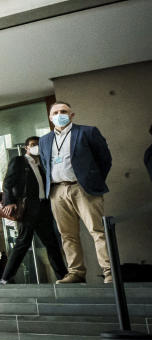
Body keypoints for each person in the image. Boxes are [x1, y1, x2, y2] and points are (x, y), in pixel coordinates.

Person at [39, 101, 113, 283]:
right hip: (57, 191)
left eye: (63, 111)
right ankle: (76, 273)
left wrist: (91, 180)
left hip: (83, 189)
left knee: (97, 231)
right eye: (55, 112)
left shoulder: (87, 132)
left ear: (72, 115)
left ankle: (110, 272)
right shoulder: (45, 140)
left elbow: (105, 159)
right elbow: (44, 164)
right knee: (67, 235)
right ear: (50, 118)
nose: (59, 114)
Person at [0, 136, 69, 284]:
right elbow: (7, 182)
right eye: (33, 145)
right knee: (23, 243)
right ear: (27, 148)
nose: (36, 147)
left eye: (38, 145)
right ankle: (5, 278)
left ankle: (63, 277)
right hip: (28, 209)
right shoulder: (19, 161)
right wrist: (9, 202)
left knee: (52, 243)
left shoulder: (41, 164)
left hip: (43, 209)